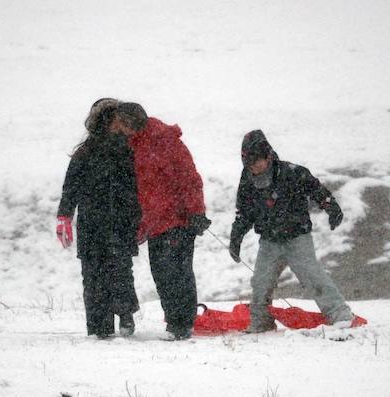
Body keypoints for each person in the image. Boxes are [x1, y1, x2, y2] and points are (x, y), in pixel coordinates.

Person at [229, 129, 361, 333]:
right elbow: (244, 212)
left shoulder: (292, 172)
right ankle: (261, 322)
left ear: (268, 156)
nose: (253, 167)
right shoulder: (247, 180)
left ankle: (341, 316)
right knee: (261, 282)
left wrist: (331, 208)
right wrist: (235, 238)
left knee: (312, 275)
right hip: (269, 241)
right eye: (249, 164)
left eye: (257, 162)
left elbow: (318, 190)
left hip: (297, 237)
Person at [109, 102, 210, 340]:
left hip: (178, 220)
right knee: (163, 273)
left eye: (120, 124)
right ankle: (177, 322)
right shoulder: (138, 143)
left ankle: (181, 325)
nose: (118, 129)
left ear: (129, 123)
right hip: (157, 222)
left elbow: (189, 178)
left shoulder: (164, 141)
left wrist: (196, 211)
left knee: (176, 272)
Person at [57, 99, 140, 339]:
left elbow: (138, 187)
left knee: (121, 271)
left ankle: (125, 315)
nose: (120, 124)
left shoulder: (129, 150)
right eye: (115, 119)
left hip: (121, 223)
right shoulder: (85, 154)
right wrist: (64, 216)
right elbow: (70, 188)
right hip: (92, 225)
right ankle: (98, 328)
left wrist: (139, 217)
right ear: (104, 122)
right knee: (93, 276)